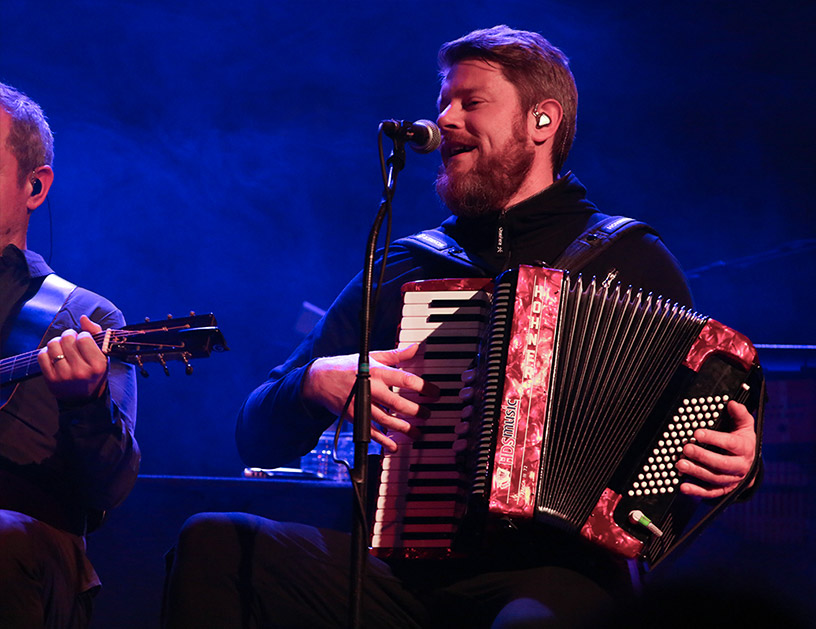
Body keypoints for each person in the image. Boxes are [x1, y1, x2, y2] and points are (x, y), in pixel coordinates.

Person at [162, 26, 759, 628]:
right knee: (216, 545)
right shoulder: (409, 265)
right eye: (443, 101)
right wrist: (314, 382)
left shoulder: (628, 259)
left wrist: (739, 464)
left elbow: (702, 424)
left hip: (562, 575)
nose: (445, 119)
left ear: (541, 122)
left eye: (471, 102)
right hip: (407, 573)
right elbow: (254, 433)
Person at [0, 82, 139, 628]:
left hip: (24, 554)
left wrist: (87, 403)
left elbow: (109, 488)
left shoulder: (83, 317)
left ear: (34, 186)